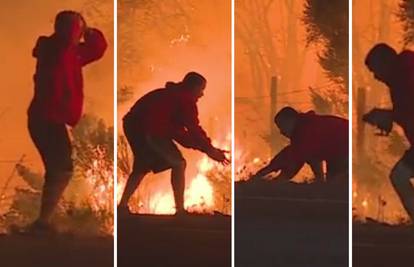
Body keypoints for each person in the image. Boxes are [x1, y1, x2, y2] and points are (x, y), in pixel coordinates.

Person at [27, 10, 107, 233]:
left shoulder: (71, 54)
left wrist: (90, 31)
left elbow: (98, 49)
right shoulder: (55, 50)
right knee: (61, 168)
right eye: (77, 29)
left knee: (60, 168)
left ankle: (45, 220)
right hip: (46, 118)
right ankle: (43, 221)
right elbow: (65, 44)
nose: (79, 33)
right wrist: (78, 25)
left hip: (51, 119)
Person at [118, 72, 230, 215]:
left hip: (136, 126)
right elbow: (193, 129)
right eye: (201, 89)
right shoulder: (184, 99)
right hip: (148, 130)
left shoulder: (173, 95)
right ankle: (180, 210)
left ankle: (122, 207)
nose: (202, 94)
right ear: (193, 87)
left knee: (142, 166)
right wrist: (209, 150)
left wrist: (208, 149)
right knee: (178, 163)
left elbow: (181, 133)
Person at [363, 43, 414, 221]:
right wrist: (390, 119)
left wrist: (387, 115)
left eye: (375, 70)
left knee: (400, 176)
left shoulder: (407, 74)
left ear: (386, 62)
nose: (376, 77)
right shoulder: (400, 78)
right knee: (399, 176)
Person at [252, 107, 348, 183]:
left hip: (344, 147)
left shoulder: (305, 132)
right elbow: (298, 155)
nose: (281, 132)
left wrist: (277, 181)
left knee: (335, 184)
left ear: (290, 121)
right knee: (331, 184)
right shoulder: (304, 128)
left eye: (281, 126)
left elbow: (294, 163)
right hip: (340, 148)